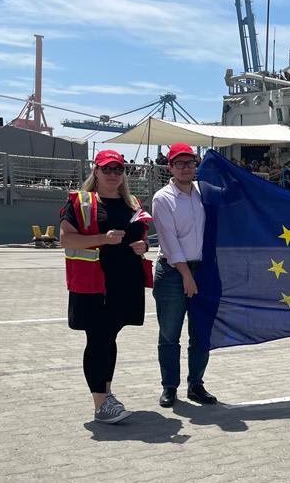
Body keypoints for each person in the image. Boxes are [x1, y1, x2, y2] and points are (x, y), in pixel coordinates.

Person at [59, 149, 150, 424]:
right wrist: (103, 238)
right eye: (107, 169)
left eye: (118, 169)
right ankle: (100, 404)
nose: (113, 174)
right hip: (94, 283)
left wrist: (143, 246)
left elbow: (143, 240)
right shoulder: (80, 202)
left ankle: (107, 394)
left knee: (109, 338)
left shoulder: (133, 203)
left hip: (124, 282)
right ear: (95, 171)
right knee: (98, 339)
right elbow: (66, 240)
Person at [152, 143, 218, 407]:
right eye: (179, 163)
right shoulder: (163, 199)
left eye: (190, 163)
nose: (185, 168)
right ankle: (170, 386)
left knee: (200, 332)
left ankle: (196, 384)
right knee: (170, 333)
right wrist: (186, 276)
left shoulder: (204, 194)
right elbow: (169, 243)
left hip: (202, 270)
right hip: (171, 272)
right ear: (170, 167)